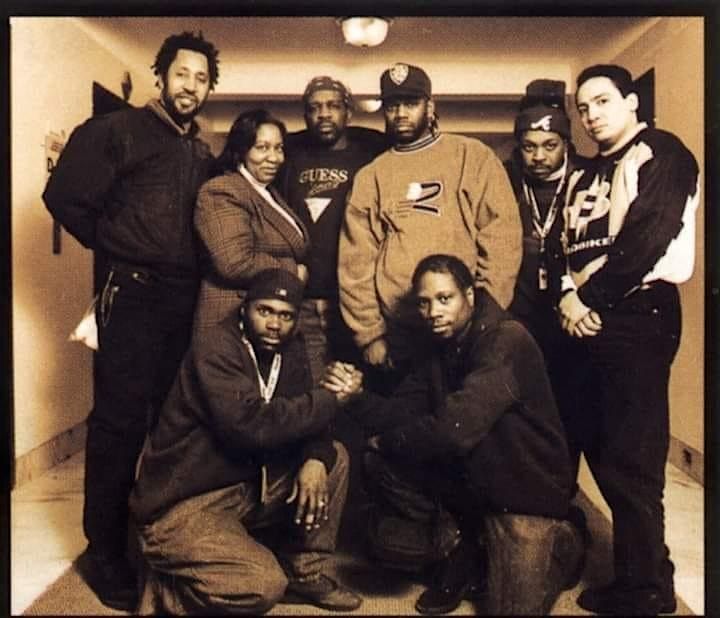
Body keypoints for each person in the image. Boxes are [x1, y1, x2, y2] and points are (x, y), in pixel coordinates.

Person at [42, 31, 220, 611]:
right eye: (181, 73)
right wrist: (117, 246)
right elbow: (63, 196)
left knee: (171, 421)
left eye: (201, 78)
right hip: (133, 294)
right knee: (118, 423)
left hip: (183, 299)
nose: (190, 85)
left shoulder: (201, 151)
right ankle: (104, 552)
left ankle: (150, 537)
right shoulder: (115, 130)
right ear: (160, 76)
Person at [324, 254, 588, 615]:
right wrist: (355, 397)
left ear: (470, 296)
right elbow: (403, 410)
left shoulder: (506, 339)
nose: (433, 312)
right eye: (424, 302)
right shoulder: (437, 342)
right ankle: (463, 547)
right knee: (379, 473)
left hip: (523, 490)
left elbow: (453, 432)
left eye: (444, 298)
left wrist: (388, 440)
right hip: (474, 482)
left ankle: (567, 537)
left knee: (510, 611)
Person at [130, 269, 363, 615]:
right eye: (264, 311)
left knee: (333, 459)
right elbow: (249, 425)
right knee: (262, 586)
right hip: (183, 502)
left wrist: (315, 457)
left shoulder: (290, 346)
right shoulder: (215, 346)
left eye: (286, 315)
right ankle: (168, 589)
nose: (274, 324)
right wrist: (331, 398)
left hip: (240, 488)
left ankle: (304, 572)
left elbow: (304, 417)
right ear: (244, 307)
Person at [554, 64, 699, 615]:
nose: (591, 115)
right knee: (600, 449)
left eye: (602, 101)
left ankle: (647, 588)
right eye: (583, 107)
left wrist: (587, 300)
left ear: (632, 101)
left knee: (632, 458)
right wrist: (568, 298)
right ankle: (643, 569)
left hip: (639, 315)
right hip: (585, 317)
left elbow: (649, 237)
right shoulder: (581, 174)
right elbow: (559, 246)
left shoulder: (663, 153)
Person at [338, 62, 521, 373]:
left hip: (466, 327)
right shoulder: (371, 176)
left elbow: (502, 238)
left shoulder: (471, 156)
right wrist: (370, 334)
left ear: (430, 106)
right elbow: (355, 264)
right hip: (400, 332)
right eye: (392, 106)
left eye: (410, 104)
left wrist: (487, 314)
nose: (400, 114)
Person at [505, 79, 589, 487]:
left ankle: (562, 493)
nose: (538, 156)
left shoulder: (589, 178)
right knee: (520, 405)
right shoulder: (505, 179)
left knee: (570, 408)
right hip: (519, 313)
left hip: (571, 315)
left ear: (566, 143)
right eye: (529, 147)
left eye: (550, 146)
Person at [277, 75, 387, 383]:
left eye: (333, 106)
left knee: (358, 388)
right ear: (305, 116)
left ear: (348, 113)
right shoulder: (289, 157)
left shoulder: (370, 157)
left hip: (353, 302)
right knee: (311, 389)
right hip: (303, 301)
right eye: (314, 108)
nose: (323, 114)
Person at [193, 109, 309, 334]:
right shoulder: (223, 190)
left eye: (278, 148)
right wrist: (292, 270)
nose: (274, 158)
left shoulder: (267, 191)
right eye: (262, 147)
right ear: (241, 150)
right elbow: (234, 262)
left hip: (265, 320)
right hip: (231, 321)